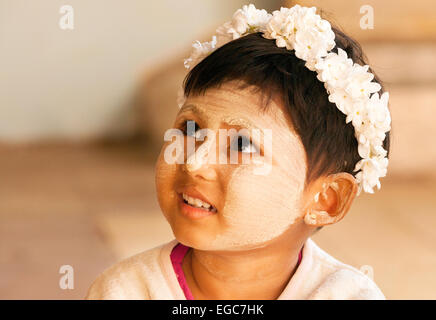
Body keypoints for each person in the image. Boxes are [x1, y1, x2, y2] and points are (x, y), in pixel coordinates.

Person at [86, 4, 390, 300]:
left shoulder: (349, 296)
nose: (195, 163)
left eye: (242, 145)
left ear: (327, 198)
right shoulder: (124, 291)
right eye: (190, 130)